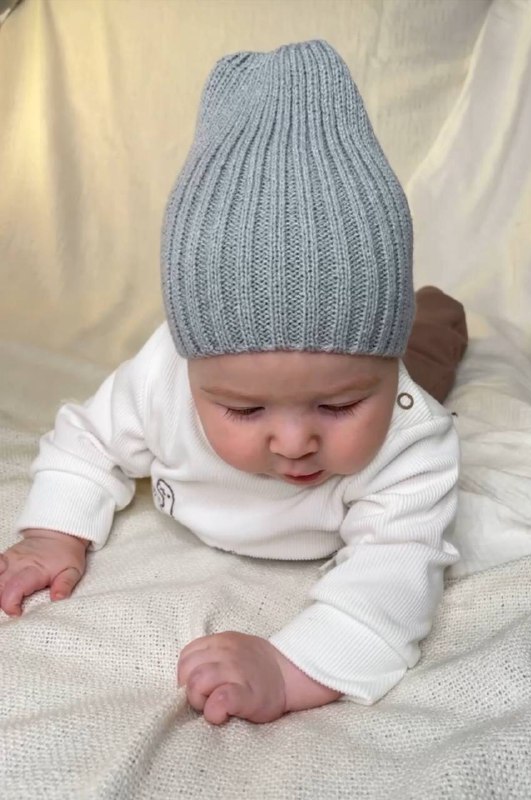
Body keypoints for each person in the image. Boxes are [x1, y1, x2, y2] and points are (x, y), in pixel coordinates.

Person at [0, 40, 467, 725]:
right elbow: (85, 442)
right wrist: (54, 532)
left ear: (380, 369)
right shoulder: (161, 377)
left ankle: (432, 313)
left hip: (407, 356)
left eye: (339, 404)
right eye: (245, 410)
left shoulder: (407, 435)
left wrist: (292, 667)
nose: (294, 441)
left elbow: (398, 569)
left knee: (433, 345)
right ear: (190, 364)